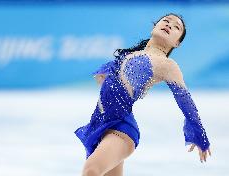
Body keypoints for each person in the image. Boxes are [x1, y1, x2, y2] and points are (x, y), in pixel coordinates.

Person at [74, 13, 211, 176]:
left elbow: (185, 100)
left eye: (176, 27)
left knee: (92, 170)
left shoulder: (167, 65)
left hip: (122, 129)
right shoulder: (131, 54)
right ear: (154, 26)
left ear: (177, 43)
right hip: (102, 123)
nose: (169, 25)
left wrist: (199, 133)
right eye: (166, 21)